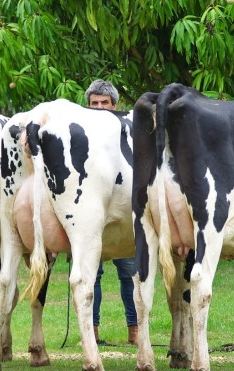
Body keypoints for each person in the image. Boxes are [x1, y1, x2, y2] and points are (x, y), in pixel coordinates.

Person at [83, 79, 138, 345]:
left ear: (115, 106)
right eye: (94, 103)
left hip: (122, 211)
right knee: (90, 274)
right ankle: (91, 332)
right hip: (90, 213)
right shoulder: (80, 136)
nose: (100, 108)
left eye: (105, 103)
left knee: (129, 271)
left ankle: (134, 330)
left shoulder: (125, 134)